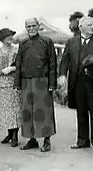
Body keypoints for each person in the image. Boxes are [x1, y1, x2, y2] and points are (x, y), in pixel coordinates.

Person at [58, 16, 93, 153]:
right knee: (81, 112)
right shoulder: (71, 42)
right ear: (81, 27)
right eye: (89, 25)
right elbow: (65, 60)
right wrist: (62, 74)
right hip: (77, 82)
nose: (92, 27)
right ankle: (82, 141)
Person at [14, 17, 57, 152]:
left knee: (44, 111)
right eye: (28, 27)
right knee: (28, 112)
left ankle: (46, 140)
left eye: (33, 26)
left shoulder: (47, 41)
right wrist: (17, 83)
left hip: (42, 81)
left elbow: (52, 64)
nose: (31, 29)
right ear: (25, 28)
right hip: (26, 81)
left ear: (38, 26)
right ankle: (32, 140)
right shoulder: (23, 43)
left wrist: (52, 83)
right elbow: (18, 63)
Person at [0, 28, 21, 147]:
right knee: (5, 112)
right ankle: (9, 133)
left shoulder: (17, 51)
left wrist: (13, 68)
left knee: (15, 111)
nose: (10, 38)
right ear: (2, 39)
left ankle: (15, 136)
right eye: (7, 36)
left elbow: (22, 65)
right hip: (1, 84)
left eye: (11, 36)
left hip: (14, 83)